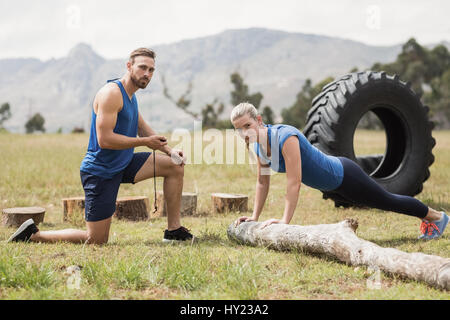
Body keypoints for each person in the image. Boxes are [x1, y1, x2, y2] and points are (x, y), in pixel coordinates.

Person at [8, 48, 194, 244]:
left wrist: (169, 150)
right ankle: (33, 234)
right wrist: (145, 143)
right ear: (129, 66)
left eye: (151, 70)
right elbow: (105, 139)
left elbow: (142, 128)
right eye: (142, 68)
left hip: (124, 162)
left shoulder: (131, 95)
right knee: (95, 239)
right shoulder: (111, 94)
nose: (147, 74)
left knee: (174, 165)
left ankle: (174, 232)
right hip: (101, 171)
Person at [231, 102, 448, 240]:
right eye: (238, 129)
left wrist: (285, 221)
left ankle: (437, 217)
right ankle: (432, 218)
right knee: (376, 203)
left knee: (387, 201)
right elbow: (262, 182)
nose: (243, 132)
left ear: (258, 120)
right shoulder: (258, 146)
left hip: (344, 176)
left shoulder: (286, 137)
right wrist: (254, 217)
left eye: (247, 125)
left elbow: (293, 182)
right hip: (332, 187)